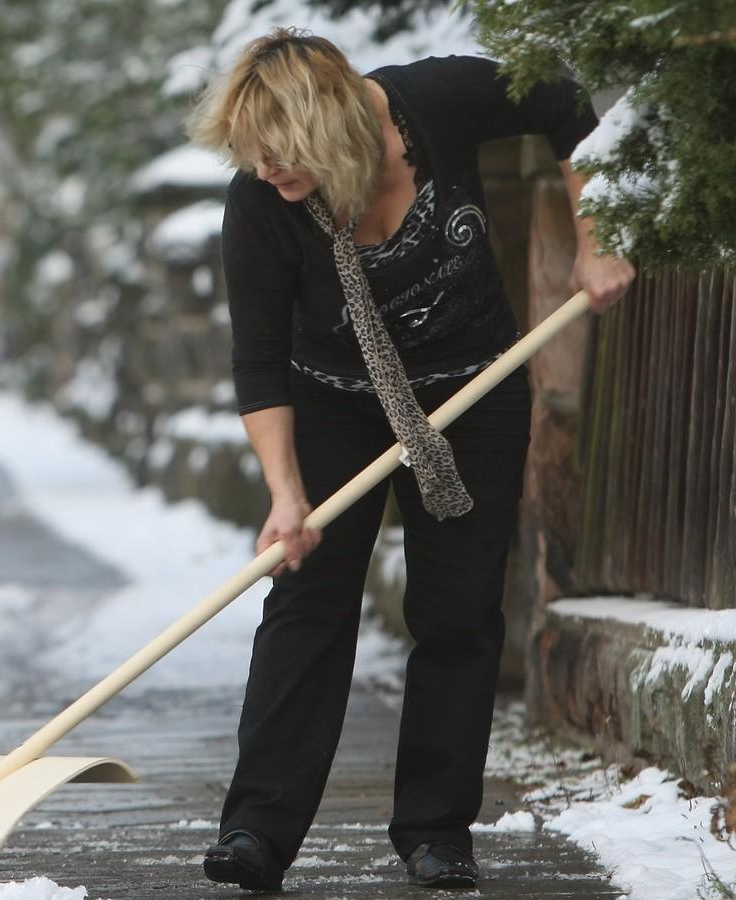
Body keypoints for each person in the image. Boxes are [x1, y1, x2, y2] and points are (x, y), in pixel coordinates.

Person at [183, 28, 635, 891]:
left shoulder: (437, 101)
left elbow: (564, 104)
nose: (268, 173)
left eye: (282, 156)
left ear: (331, 129)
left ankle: (436, 830)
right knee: (307, 598)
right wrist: (285, 497)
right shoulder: (261, 206)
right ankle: (256, 831)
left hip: (476, 387)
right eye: (254, 159)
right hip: (331, 400)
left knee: (458, 610)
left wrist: (596, 235)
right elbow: (258, 361)